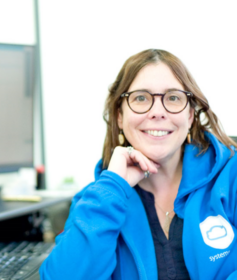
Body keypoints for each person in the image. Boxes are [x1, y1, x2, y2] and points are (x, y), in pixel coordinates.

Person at [39, 49, 237, 279]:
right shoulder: (96, 201)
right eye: (141, 98)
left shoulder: (230, 177)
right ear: (120, 116)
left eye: (173, 97)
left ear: (191, 115)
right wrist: (113, 188)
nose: (157, 112)